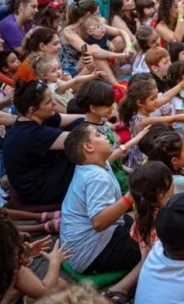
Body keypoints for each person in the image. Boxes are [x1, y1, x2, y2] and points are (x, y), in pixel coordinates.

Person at [60, 124, 141, 300]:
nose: (105, 136)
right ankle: (121, 290)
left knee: (141, 221)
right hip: (89, 253)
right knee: (153, 246)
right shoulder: (96, 177)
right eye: (98, 134)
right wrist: (132, 194)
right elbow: (99, 222)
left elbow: (113, 156)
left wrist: (136, 139)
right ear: (88, 147)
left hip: (78, 246)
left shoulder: (94, 164)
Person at [3, 79, 86, 207]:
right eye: (48, 102)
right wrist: (101, 123)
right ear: (32, 110)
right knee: (83, 148)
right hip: (37, 191)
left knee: (79, 125)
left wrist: (98, 120)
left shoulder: (36, 116)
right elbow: (82, 139)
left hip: (43, 172)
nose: (53, 104)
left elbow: (80, 119)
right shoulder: (31, 134)